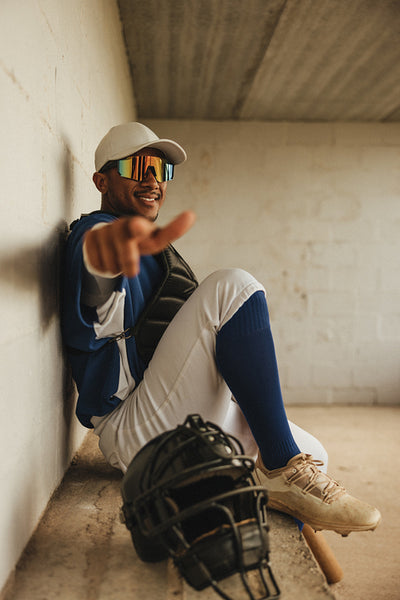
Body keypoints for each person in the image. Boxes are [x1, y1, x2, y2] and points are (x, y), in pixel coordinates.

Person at [62, 122, 381, 536]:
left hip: (172, 410)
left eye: (161, 170)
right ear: (101, 180)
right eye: (139, 165)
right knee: (234, 284)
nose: (152, 179)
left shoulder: (149, 246)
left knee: (316, 453)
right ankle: (274, 468)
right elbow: (97, 268)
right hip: (133, 426)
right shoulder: (96, 235)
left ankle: (250, 480)